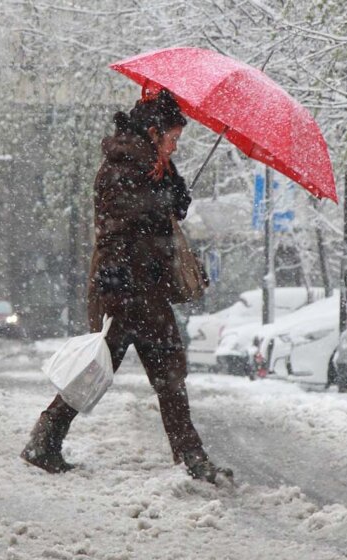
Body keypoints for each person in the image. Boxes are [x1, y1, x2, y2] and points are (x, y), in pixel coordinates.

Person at [20, 89, 232, 485]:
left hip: (145, 291)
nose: (175, 145)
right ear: (153, 132)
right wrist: (161, 196)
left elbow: (166, 209)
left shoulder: (153, 167)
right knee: (114, 370)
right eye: (172, 137)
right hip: (125, 290)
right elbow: (121, 230)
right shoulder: (120, 168)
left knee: (160, 373)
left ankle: (48, 438)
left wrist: (172, 185)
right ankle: (189, 459)